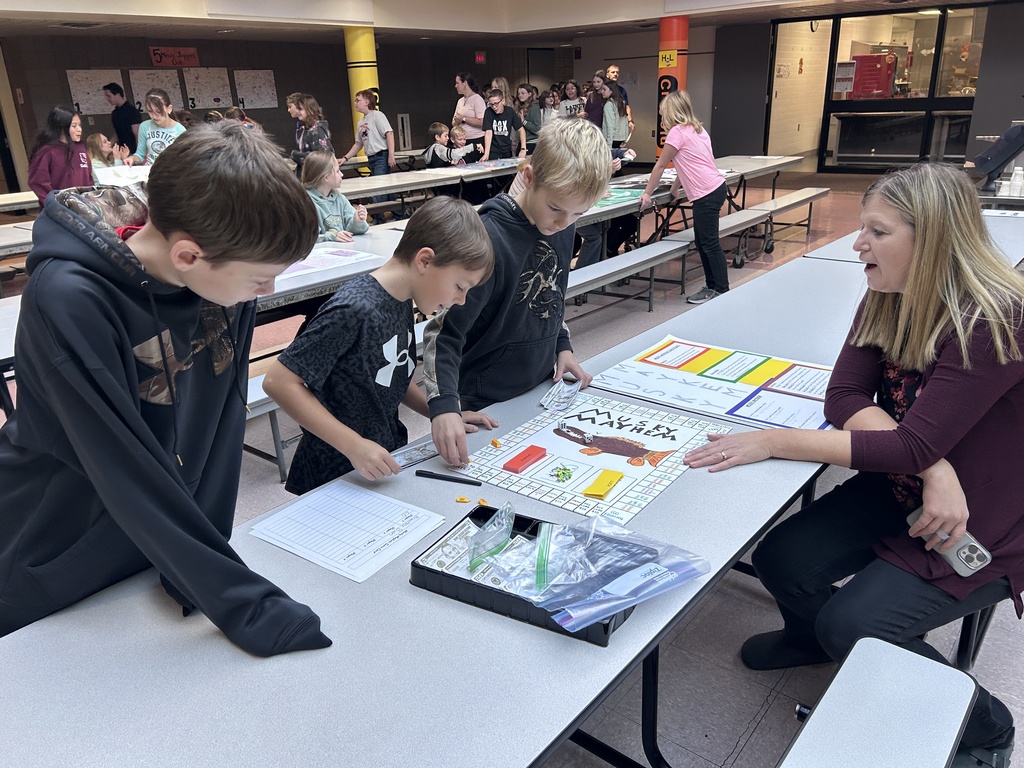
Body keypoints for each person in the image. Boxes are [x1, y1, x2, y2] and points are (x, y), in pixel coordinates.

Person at [683, 162, 1024, 768]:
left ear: (933, 239)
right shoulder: (888, 293)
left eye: (877, 231)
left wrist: (777, 441)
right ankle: (810, 640)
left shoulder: (993, 319)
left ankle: (986, 725)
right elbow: (842, 396)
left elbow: (908, 444)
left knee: (854, 625)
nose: (858, 243)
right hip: (909, 488)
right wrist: (931, 464)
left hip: (984, 519)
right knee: (782, 559)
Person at [0, 122, 331, 657]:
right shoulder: (69, 298)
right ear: (188, 256)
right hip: (57, 538)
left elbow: (223, 420)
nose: (269, 291)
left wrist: (205, 560)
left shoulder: (223, 282)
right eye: (259, 278)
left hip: (158, 536)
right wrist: (248, 606)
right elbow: (119, 465)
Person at [263, 197, 496, 495]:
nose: (461, 301)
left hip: (379, 461)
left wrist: (438, 411)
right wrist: (354, 445)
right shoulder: (355, 308)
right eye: (459, 287)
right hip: (333, 471)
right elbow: (279, 382)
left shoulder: (402, 299)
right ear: (425, 261)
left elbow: (392, 376)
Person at [422, 117, 612, 466]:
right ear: (529, 177)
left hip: (539, 392)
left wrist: (562, 346)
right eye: (556, 209)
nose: (563, 223)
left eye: (578, 214)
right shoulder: (487, 240)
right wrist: (444, 405)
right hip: (483, 406)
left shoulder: (562, 224)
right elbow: (443, 333)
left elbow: (551, 297)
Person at [639, 90, 729, 305]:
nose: (662, 117)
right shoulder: (698, 129)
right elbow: (688, 163)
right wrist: (675, 188)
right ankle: (712, 286)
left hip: (706, 193)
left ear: (671, 112)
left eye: (663, 113)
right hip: (715, 187)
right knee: (703, 241)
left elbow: (661, 165)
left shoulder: (677, 132)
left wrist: (647, 193)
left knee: (709, 244)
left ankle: (720, 289)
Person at [27, 105, 92, 206]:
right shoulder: (47, 151)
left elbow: (88, 177)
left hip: (83, 206)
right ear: (62, 127)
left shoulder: (80, 148)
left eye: (79, 125)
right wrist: (55, 204)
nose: (79, 129)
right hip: (60, 208)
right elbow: (38, 181)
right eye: (74, 126)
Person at [301, 150, 369, 243]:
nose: (342, 174)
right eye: (337, 171)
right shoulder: (306, 203)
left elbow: (351, 231)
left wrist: (357, 221)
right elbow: (307, 238)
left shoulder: (339, 198)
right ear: (326, 177)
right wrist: (331, 236)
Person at [125, 89, 185, 167]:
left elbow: (184, 159)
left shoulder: (180, 130)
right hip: (149, 170)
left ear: (169, 109)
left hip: (170, 172)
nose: (154, 116)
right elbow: (140, 154)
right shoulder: (144, 126)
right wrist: (132, 158)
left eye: (159, 111)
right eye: (150, 111)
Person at [341, 90, 396, 174]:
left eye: (358, 100)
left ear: (367, 102)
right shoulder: (360, 122)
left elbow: (389, 133)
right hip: (371, 158)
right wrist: (345, 158)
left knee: (380, 181)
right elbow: (358, 144)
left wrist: (391, 154)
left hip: (381, 156)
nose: (355, 103)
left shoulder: (377, 115)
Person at [291, 94, 334, 180]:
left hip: (316, 177)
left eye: (300, 109)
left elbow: (322, 156)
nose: (298, 112)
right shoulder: (304, 128)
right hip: (307, 175)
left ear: (310, 110)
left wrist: (296, 155)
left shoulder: (317, 130)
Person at [482, 89, 526, 162]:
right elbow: (488, 133)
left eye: (496, 104)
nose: (494, 107)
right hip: (493, 150)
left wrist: (523, 149)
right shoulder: (488, 112)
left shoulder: (510, 111)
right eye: (491, 104)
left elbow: (521, 130)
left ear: (503, 101)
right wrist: (486, 154)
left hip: (507, 150)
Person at [452, 73, 486, 164]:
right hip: (462, 140)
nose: (456, 86)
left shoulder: (477, 99)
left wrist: (464, 119)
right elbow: (454, 122)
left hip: (476, 139)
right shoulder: (460, 101)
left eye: (457, 83)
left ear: (465, 83)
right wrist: (457, 121)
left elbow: (482, 122)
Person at [102, 82, 142, 155]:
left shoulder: (132, 111)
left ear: (117, 95)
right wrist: (108, 145)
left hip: (133, 151)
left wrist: (139, 153)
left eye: (109, 96)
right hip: (122, 151)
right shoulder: (115, 113)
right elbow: (118, 133)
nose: (107, 99)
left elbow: (137, 133)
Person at [605, 63, 635, 136]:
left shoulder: (622, 90)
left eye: (617, 72)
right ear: (607, 75)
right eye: (613, 72)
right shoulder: (602, 89)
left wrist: (630, 121)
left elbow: (626, 106)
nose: (615, 74)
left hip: (617, 122)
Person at [599, 82, 629, 149]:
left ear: (611, 91)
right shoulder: (622, 103)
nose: (602, 92)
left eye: (604, 89)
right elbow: (625, 123)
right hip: (621, 138)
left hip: (612, 139)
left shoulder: (609, 105)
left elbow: (610, 125)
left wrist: (609, 145)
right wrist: (625, 140)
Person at [515, 83, 542, 154]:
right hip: (521, 142)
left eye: (523, 93)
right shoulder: (520, 107)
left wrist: (524, 121)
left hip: (531, 143)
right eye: (518, 94)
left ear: (529, 94)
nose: (520, 95)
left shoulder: (534, 107)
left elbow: (537, 128)